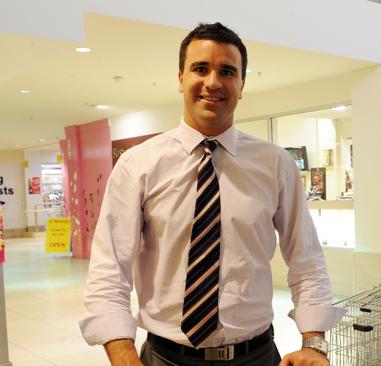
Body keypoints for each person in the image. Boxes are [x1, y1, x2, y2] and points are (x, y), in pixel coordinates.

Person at [79, 22, 344, 366]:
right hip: (166, 357)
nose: (214, 82)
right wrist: (123, 355)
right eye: (200, 68)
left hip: (257, 356)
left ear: (242, 85)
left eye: (228, 71)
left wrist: (314, 342)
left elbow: (307, 261)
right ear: (180, 78)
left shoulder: (275, 164)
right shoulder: (138, 165)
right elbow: (109, 270)